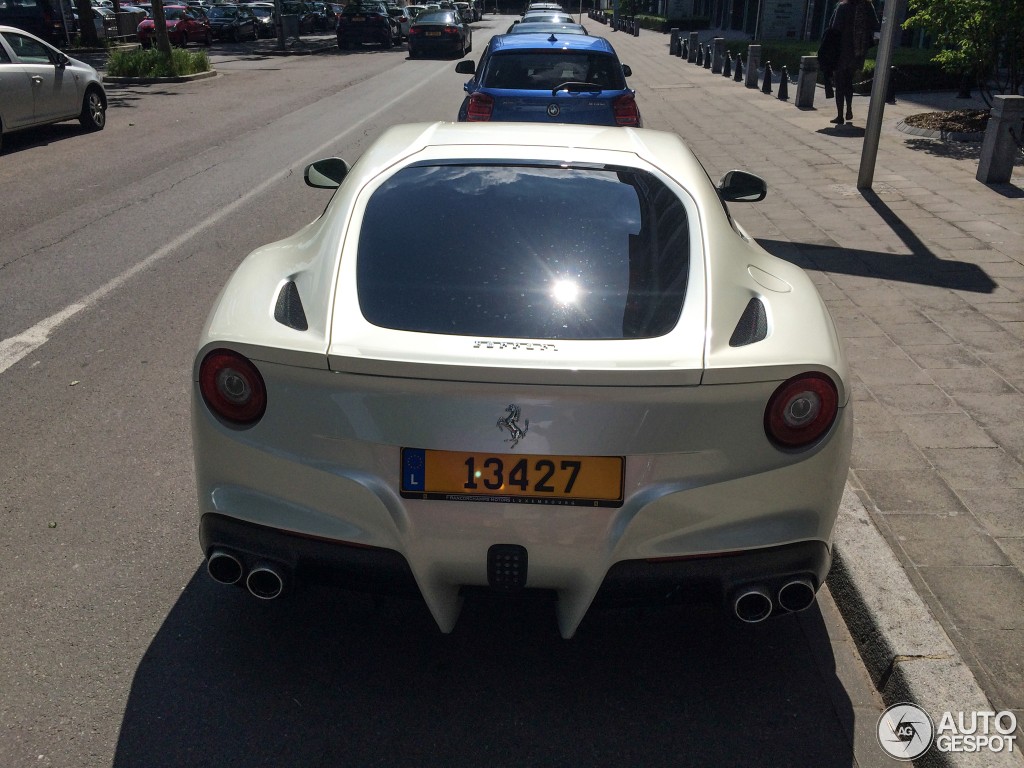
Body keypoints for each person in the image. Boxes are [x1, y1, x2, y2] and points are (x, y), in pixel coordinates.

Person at [828, 0, 878, 125]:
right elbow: (876, 25)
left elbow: (835, 28)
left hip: (842, 51)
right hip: (858, 52)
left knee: (840, 84)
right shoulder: (868, 7)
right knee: (849, 81)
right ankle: (849, 110)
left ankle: (840, 116)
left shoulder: (843, 6)